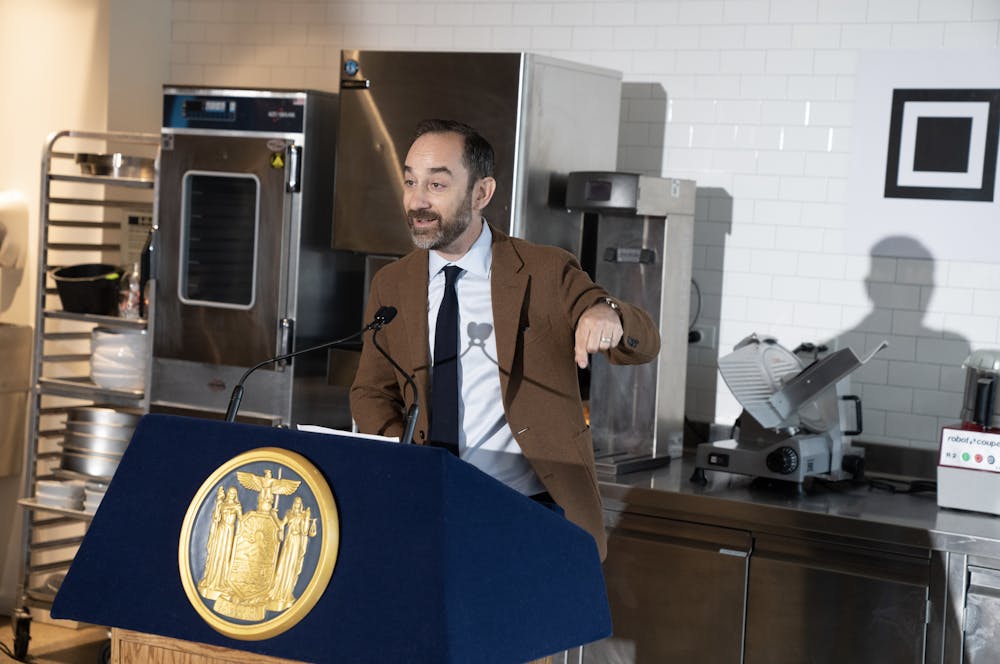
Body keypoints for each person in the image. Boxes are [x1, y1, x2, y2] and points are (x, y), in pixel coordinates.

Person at [350, 119, 660, 560]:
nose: (417, 200)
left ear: (482, 193)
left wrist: (606, 313)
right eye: (410, 182)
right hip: (426, 507)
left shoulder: (544, 270)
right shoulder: (391, 283)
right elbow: (370, 391)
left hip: (529, 512)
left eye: (436, 184)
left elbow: (645, 341)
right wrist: (403, 453)